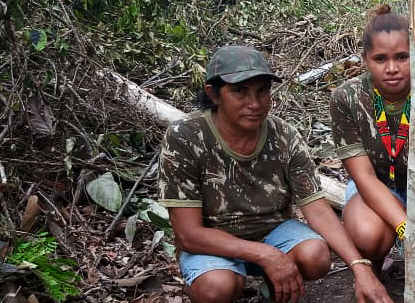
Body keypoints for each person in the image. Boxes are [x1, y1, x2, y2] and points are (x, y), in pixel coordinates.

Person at [159, 45, 393, 303]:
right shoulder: (186, 137)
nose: (254, 104)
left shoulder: (284, 136)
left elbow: (317, 209)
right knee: (216, 287)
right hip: (213, 239)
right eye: (240, 92)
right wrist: (265, 255)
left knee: (315, 256)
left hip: (273, 230)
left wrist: (360, 268)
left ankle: (276, 288)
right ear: (213, 95)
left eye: (262, 91)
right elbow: (187, 233)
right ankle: (240, 275)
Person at [330, 4, 415, 303]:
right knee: (367, 234)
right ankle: (372, 267)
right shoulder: (347, 99)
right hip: (377, 184)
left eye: (402, 57)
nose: (391, 68)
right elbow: (364, 177)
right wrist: (409, 229)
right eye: (380, 59)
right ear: (366, 60)